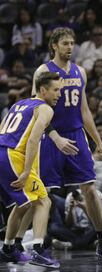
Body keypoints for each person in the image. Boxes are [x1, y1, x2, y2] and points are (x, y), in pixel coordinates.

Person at [20, 27, 102, 262]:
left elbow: (84, 111)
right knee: (39, 194)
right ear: (54, 45)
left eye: (72, 43)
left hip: (75, 136)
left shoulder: (80, 72)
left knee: (90, 189)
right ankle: (16, 242)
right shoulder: (43, 71)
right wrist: (54, 137)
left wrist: (99, 142)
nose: (70, 47)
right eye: (65, 43)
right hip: (50, 137)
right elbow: (35, 110)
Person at [0, 72, 61, 267]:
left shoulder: (18, 104)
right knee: (43, 201)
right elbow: (34, 139)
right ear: (43, 90)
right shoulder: (44, 108)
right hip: (13, 156)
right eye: (56, 90)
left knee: (25, 203)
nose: (59, 94)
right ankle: (39, 250)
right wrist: (26, 171)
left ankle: (8, 248)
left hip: (2, 153)